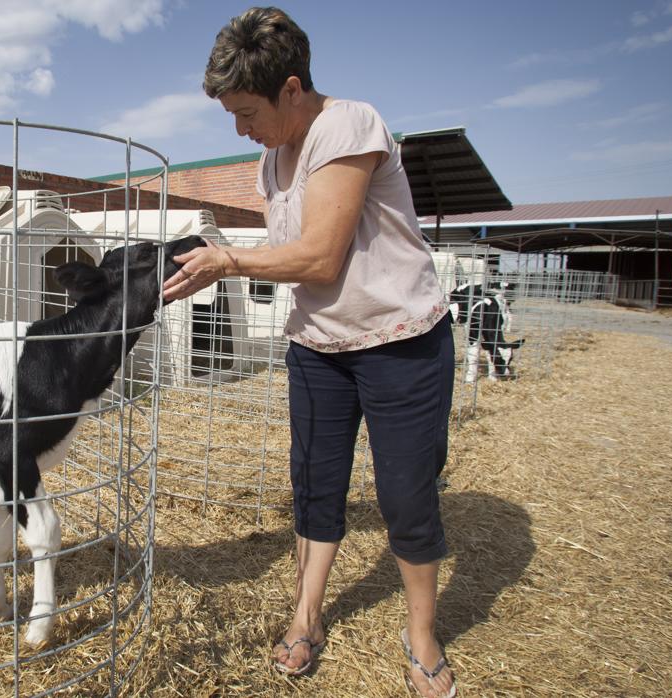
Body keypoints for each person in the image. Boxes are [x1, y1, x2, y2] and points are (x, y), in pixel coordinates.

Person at [163, 7, 457, 697]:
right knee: (314, 487)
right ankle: (306, 617)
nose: (240, 129)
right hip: (320, 347)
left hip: (399, 343)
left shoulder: (347, 126)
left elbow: (321, 258)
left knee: (405, 493)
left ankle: (422, 635)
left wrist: (227, 261)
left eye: (246, 111)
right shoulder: (273, 156)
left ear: (292, 89)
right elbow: (294, 258)